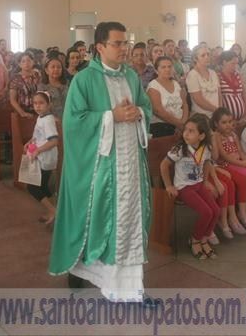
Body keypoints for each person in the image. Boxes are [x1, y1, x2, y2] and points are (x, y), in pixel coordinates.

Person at [49, 21, 153, 303]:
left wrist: (140, 114)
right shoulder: (84, 80)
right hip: (102, 169)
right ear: (100, 47)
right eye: (117, 44)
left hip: (130, 166)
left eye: (126, 43)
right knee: (99, 223)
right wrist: (112, 116)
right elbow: (73, 123)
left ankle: (131, 290)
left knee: (129, 224)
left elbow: (146, 106)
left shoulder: (131, 77)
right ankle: (89, 273)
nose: (124, 49)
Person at [160, 114, 222, 259]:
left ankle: (204, 238)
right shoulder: (180, 148)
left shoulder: (205, 147)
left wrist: (206, 181)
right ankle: (195, 240)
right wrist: (169, 186)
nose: (186, 133)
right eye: (186, 130)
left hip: (198, 184)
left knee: (216, 210)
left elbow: (207, 163)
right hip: (184, 187)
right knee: (206, 212)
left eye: (191, 131)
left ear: (201, 136)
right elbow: (164, 165)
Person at [24, 92, 59, 226]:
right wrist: (30, 142)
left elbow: (54, 141)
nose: (37, 106)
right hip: (40, 156)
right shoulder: (41, 117)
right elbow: (38, 135)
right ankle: (52, 211)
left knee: (32, 187)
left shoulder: (48, 120)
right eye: (35, 103)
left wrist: (38, 150)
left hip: (45, 158)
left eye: (41, 103)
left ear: (48, 105)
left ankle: (54, 211)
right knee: (42, 186)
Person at [146, 56, 188, 138]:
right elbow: (158, 111)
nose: (167, 69)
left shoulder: (176, 84)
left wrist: (184, 122)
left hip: (181, 124)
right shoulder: (153, 86)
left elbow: (185, 105)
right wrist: (178, 124)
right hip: (162, 126)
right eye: (163, 67)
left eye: (169, 66)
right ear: (156, 70)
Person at [186, 46, 221, 117]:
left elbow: (219, 94)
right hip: (201, 116)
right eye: (203, 55)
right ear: (195, 58)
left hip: (215, 114)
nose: (207, 57)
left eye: (208, 54)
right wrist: (216, 110)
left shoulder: (213, 73)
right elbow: (198, 100)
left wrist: (220, 110)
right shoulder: (193, 75)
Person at [218, 50, 246, 128]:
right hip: (227, 121)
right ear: (224, 62)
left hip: (241, 119)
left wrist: (245, 115)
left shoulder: (238, 75)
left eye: (236, 64)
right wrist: (227, 119)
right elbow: (219, 99)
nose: (235, 66)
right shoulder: (218, 76)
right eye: (232, 63)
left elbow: (245, 96)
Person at [9, 52, 40, 118]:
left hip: (38, 110)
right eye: (23, 61)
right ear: (19, 64)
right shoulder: (16, 78)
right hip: (22, 111)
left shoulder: (37, 75)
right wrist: (22, 113)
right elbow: (12, 100)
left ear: (33, 62)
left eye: (29, 60)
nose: (26, 63)